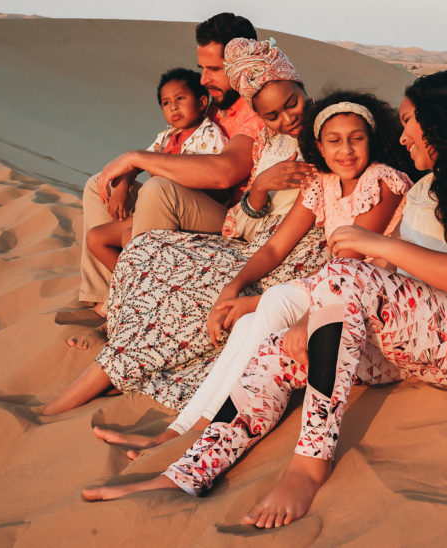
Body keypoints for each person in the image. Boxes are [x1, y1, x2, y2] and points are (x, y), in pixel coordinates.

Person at [81, 70, 447, 532]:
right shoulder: (429, 186)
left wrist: (379, 247)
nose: (405, 135)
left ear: (442, 122)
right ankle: (184, 473)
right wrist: (307, 311)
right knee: (279, 351)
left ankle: (309, 466)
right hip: (425, 342)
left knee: (347, 273)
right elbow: (396, 281)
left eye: (411, 120)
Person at [93, 91, 414, 455]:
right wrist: (234, 287)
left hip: (371, 297)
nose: (346, 151)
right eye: (334, 141)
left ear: (372, 141)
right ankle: (176, 431)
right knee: (248, 326)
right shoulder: (322, 184)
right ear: (319, 148)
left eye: (357, 139)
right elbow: (275, 247)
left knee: (267, 309)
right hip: (336, 288)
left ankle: (195, 434)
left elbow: (350, 262)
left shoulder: (383, 181)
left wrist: (251, 303)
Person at [42, 38, 328, 415]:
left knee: (167, 263)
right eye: (273, 114)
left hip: (284, 257)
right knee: (146, 249)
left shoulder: (326, 137)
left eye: (291, 104)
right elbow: (243, 223)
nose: (287, 118)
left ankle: (103, 368)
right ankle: (124, 324)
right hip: (248, 242)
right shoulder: (268, 141)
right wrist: (260, 187)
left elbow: (269, 219)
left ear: (302, 87)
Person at [76, 13, 264, 318]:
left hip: (230, 216)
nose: (203, 79)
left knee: (159, 189)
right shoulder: (214, 100)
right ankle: (105, 295)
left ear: (243, 63)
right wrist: (125, 176)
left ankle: (138, 308)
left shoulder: (257, 109)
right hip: (193, 199)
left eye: (214, 69)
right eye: (202, 67)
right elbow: (170, 148)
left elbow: (224, 172)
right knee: (101, 184)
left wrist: (136, 158)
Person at [85, 68, 226, 272]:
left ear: (202, 102)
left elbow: (218, 184)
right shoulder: (167, 137)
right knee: (96, 238)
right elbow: (138, 162)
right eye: (166, 103)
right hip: (154, 207)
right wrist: (122, 187)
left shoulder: (211, 135)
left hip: (190, 213)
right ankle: (123, 286)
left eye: (180, 98)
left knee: (128, 238)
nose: (173, 107)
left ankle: (136, 288)